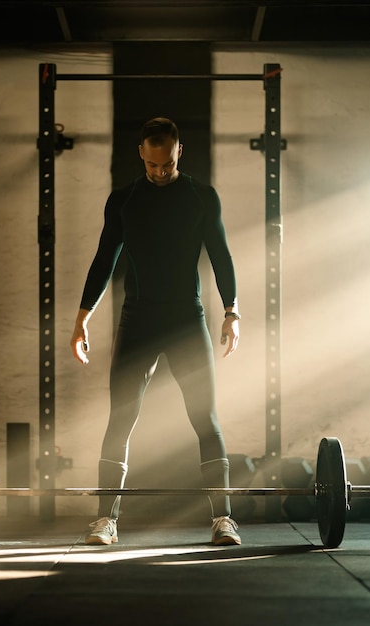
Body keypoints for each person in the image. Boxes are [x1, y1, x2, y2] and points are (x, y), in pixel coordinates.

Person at [70, 117, 242, 547]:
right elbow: (104, 258)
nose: (160, 173)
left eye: (166, 166)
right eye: (152, 167)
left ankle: (223, 519)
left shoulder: (202, 197)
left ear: (178, 152)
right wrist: (82, 317)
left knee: (205, 418)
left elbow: (220, 252)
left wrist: (232, 310)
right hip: (139, 319)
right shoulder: (124, 200)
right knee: (121, 419)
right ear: (142, 156)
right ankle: (105, 521)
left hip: (187, 318)